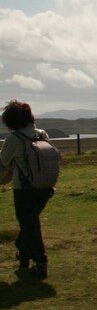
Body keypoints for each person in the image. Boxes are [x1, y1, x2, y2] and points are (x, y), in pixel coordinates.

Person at [1, 100, 54, 279]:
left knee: (29, 225)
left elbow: (4, 164)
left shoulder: (14, 139)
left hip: (24, 188)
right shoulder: (42, 134)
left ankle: (40, 261)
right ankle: (23, 253)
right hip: (46, 187)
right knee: (29, 223)